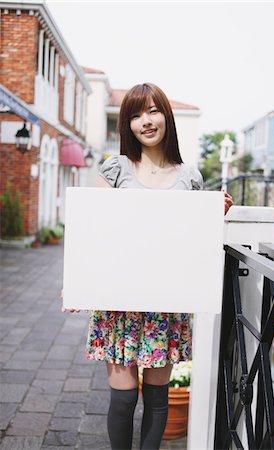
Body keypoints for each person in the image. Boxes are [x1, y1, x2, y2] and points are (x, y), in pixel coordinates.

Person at [66, 83, 233, 450]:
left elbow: (193, 242)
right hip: (119, 303)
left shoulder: (190, 177)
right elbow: (93, 230)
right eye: (137, 114)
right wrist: (77, 280)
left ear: (166, 117)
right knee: (123, 399)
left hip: (166, 304)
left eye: (153, 111)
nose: (146, 121)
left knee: (158, 401)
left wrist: (214, 215)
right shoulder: (116, 168)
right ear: (128, 124)